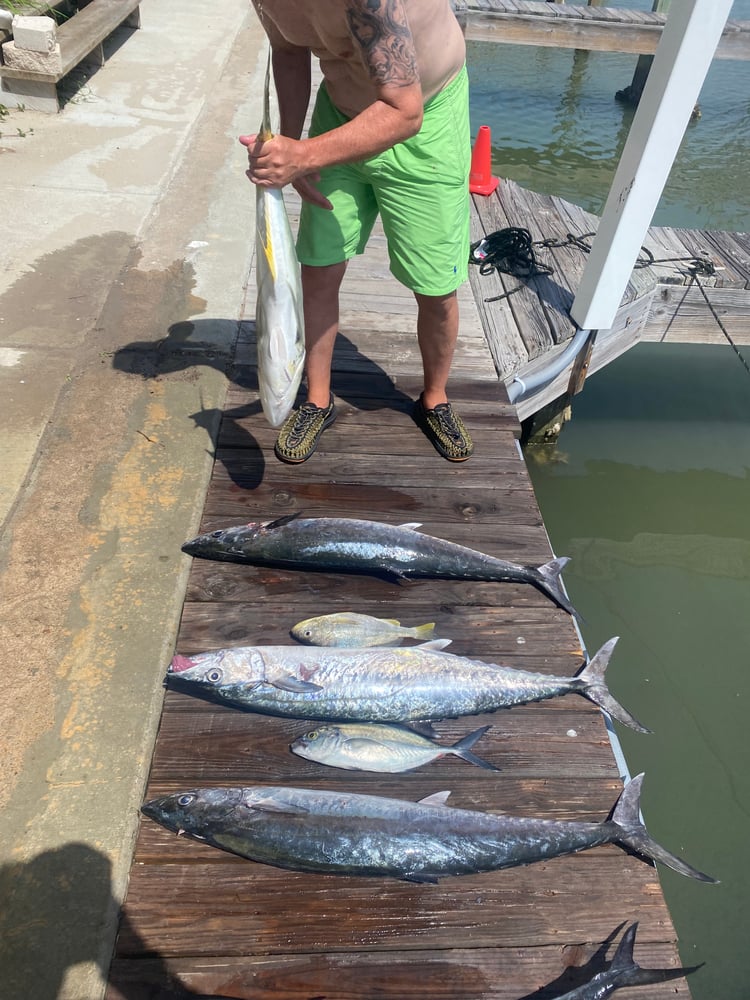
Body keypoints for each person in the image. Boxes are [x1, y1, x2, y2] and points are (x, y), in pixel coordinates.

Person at [241, 0, 474, 464]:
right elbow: (287, 50)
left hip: (425, 121)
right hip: (340, 112)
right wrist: (292, 146)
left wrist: (304, 156)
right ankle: (317, 398)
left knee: (435, 285)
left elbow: (404, 112)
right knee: (319, 263)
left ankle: (434, 398)